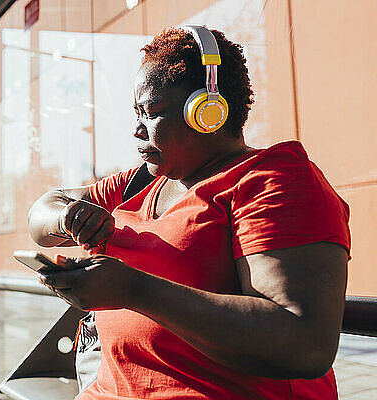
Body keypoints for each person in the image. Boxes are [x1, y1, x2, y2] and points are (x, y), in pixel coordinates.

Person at [28, 26, 350, 400]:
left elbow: (304, 345)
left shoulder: (273, 180)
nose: (136, 130)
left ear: (207, 111)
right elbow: (43, 211)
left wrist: (133, 289)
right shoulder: (139, 182)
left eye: (149, 112)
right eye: (136, 113)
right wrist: (66, 217)